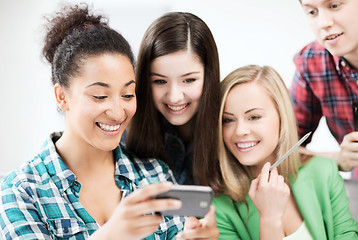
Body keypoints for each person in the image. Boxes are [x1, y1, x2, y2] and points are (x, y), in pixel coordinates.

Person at [0, 4, 219, 240]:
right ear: (62, 97)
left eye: (127, 95)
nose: (117, 113)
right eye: (100, 96)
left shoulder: (156, 174)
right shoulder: (22, 191)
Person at [212, 65, 358, 239]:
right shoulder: (217, 207)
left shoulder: (324, 172)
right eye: (228, 120)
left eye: (254, 117)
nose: (240, 131)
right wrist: (269, 218)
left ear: (282, 116)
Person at [125, 12, 221, 186]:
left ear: (209, 76)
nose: (175, 97)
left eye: (189, 80)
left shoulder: (230, 128)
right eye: (160, 81)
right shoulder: (124, 134)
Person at [289, 0, 358, 174]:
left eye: (334, 6)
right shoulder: (312, 63)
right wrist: (338, 159)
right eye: (312, 12)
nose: (323, 23)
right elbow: (283, 149)